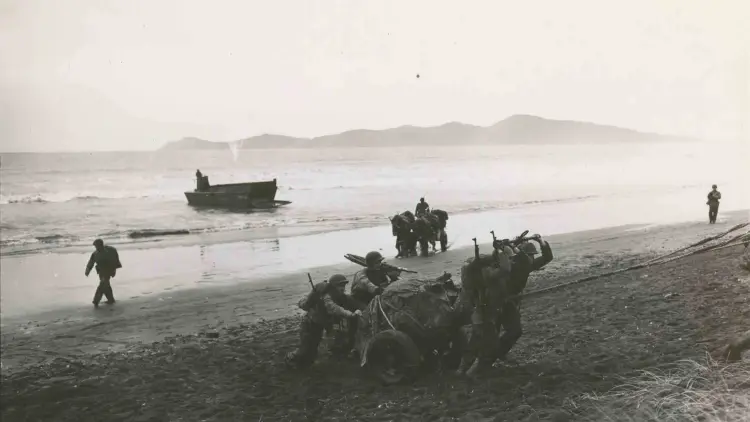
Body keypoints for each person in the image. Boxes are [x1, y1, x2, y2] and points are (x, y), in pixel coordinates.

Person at [493, 234, 553, 362]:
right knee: (494, 331)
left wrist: (541, 241)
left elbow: (548, 257)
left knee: (514, 331)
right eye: (530, 255)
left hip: (510, 302)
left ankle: (498, 353)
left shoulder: (527, 264)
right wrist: (508, 247)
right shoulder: (511, 265)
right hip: (497, 301)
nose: (532, 258)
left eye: (533, 255)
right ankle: (491, 355)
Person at [285, 274, 362, 368]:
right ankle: (290, 358)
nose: (342, 288)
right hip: (311, 324)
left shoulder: (340, 296)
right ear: (333, 286)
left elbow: (351, 302)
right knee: (306, 350)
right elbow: (333, 308)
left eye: (344, 285)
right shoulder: (326, 296)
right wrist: (350, 314)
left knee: (314, 349)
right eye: (339, 285)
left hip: (321, 323)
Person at [85, 239, 122, 308]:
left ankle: (96, 300)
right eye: (95, 246)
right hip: (101, 270)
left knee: (103, 283)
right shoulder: (95, 254)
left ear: (101, 245)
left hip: (109, 269)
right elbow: (91, 262)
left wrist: (114, 270)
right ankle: (111, 299)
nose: (96, 248)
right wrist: (88, 270)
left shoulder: (110, 251)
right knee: (106, 284)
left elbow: (115, 260)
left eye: (97, 246)